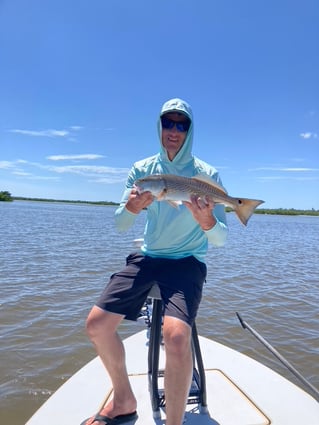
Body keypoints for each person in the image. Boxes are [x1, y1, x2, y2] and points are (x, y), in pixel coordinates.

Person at [82, 98, 228, 425]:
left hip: (188, 260)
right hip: (148, 257)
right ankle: (123, 400)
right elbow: (120, 224)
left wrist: (207, 221)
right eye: (168, 123)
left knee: (175, 336)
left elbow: (220, 239)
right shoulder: (142, 170)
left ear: (189, 130)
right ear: (159, 126)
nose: (173, 130)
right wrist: (132, 207)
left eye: (181, 124)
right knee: (96, 325)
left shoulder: (206, 175)